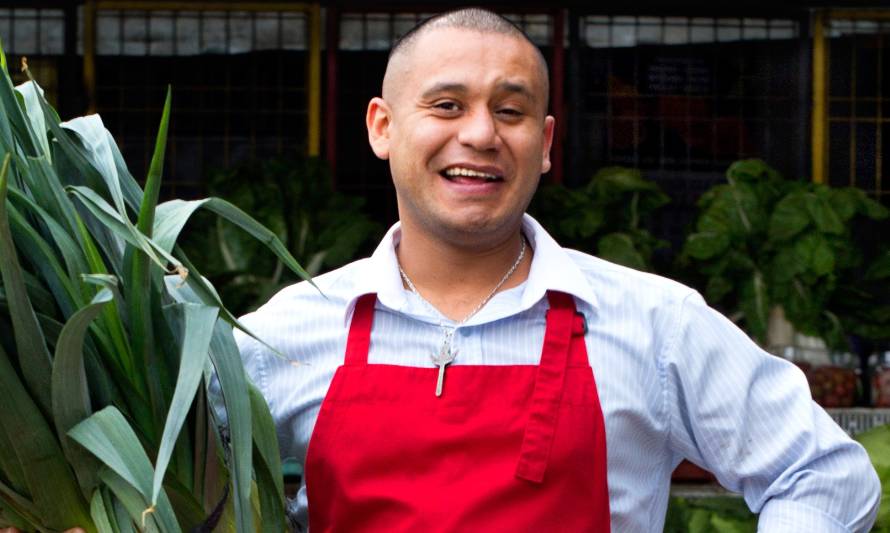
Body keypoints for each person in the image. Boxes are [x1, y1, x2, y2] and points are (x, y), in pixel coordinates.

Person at [229, 8, 880, 532]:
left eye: (509, 111)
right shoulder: (284, 333)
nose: (482, 134)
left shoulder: (655, 322)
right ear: (382, 126)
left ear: (543, 144)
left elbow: (824, 474)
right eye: (447, 105)